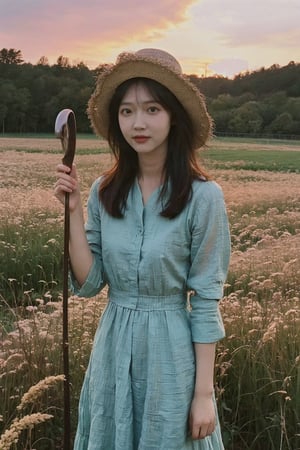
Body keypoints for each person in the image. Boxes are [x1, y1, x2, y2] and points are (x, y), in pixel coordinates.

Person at [54, 48, 231, 450]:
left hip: (171, 351)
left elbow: (205, 300)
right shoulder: (104, 190)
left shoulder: (204, 198)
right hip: (113, 346)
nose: (138, 123)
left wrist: (204, 395)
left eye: (152, 109)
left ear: (173, 116)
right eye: (127, 111)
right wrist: (74, 209)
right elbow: (89, 281)